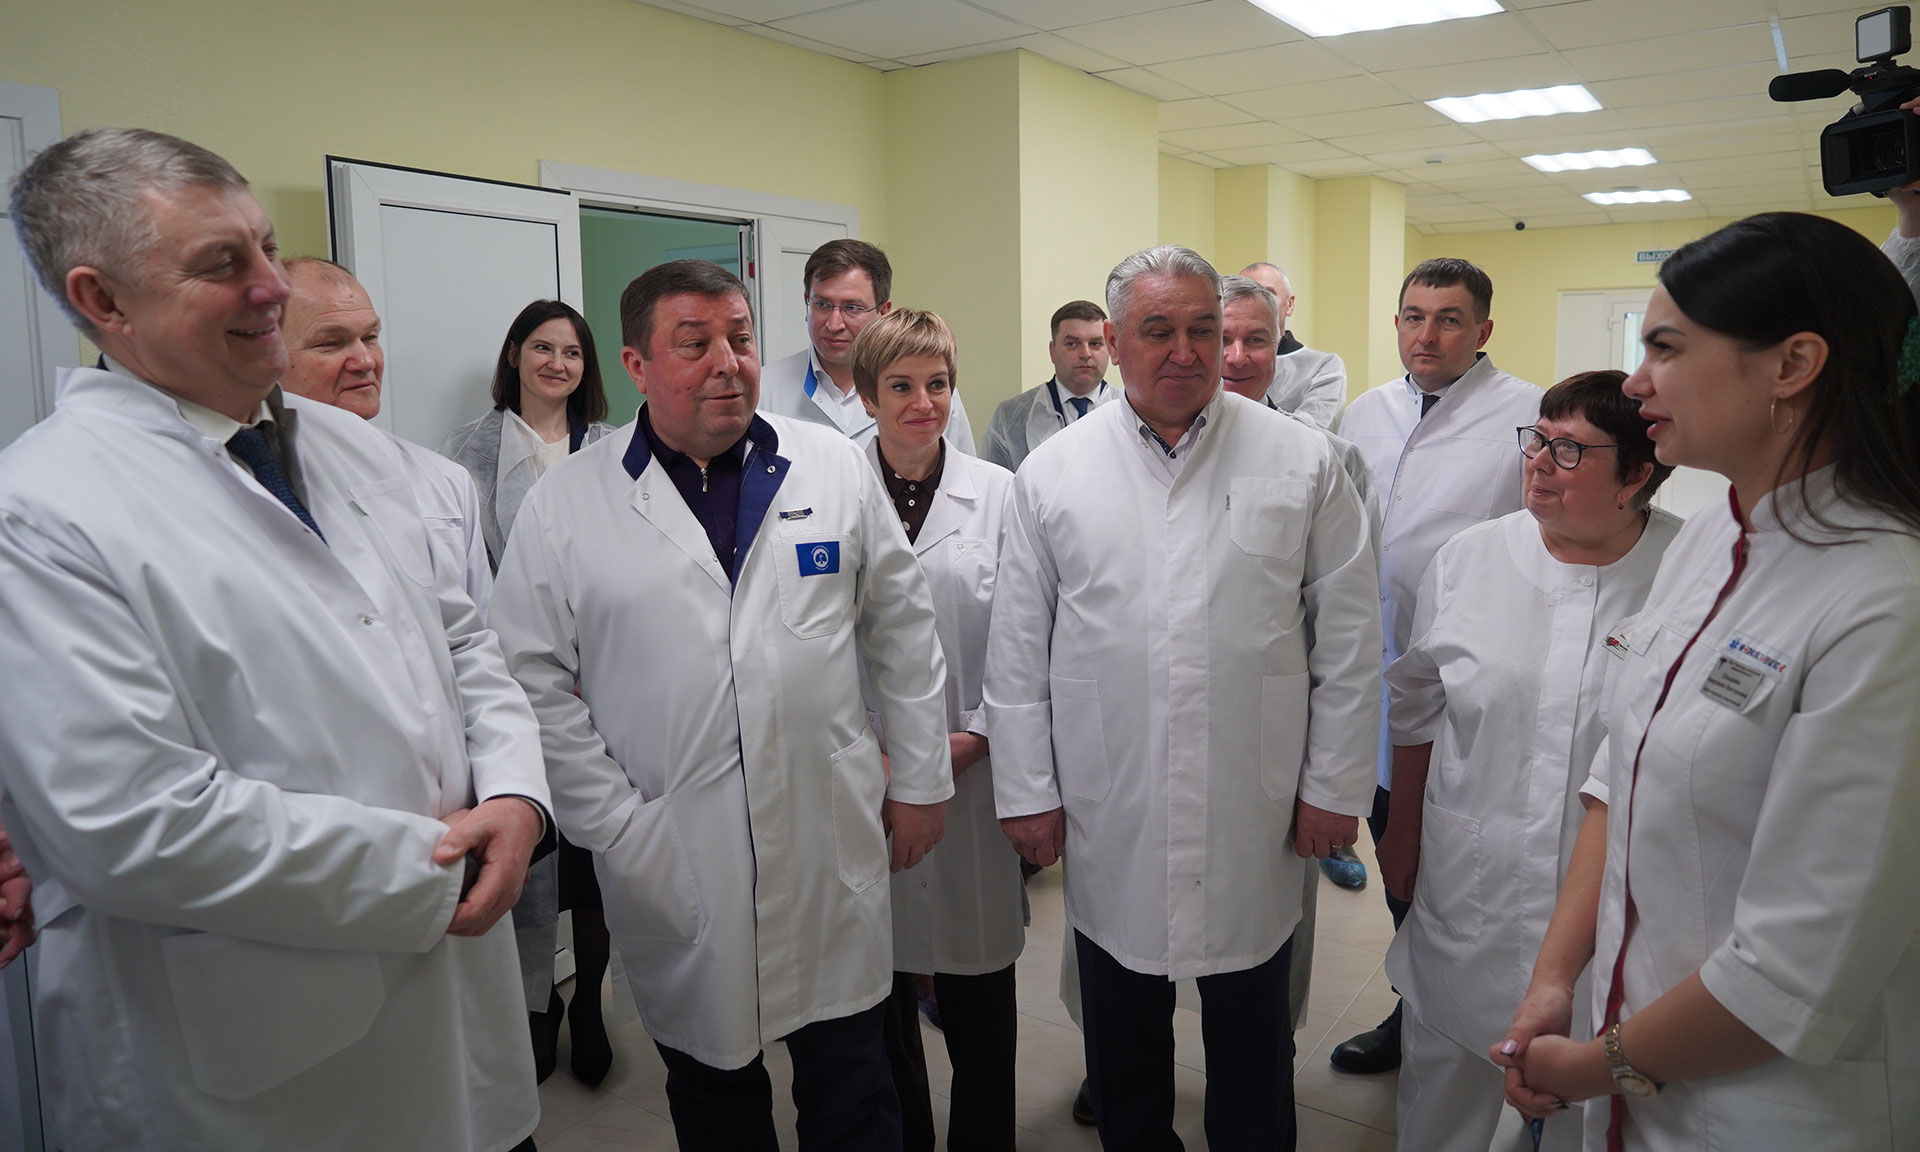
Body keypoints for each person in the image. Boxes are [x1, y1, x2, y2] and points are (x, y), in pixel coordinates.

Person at [0, 127, 550, 1151]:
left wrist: (518, 795)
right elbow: (131, 822)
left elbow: (466, 645)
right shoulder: (42, 509)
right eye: (223, 263)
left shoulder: (352, 450)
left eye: (264, 246)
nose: (272, 287)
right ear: (103, 301)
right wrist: (440, 865)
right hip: (250, 1064)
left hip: (455, 1013)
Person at [489, 259, 954, 1152]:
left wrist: (922, 780)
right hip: (675, 843)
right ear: (636, 364)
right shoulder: (568, 504)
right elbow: (526, 676)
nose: (727, 362)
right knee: (714, 1096)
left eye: (739, 338)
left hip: (826, 835)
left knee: (854, 1088)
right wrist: (616, 824)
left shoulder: (830, 465)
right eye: (694, 343)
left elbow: (901, 628)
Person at [1491, 212, 1920, 1150]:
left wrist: (1592, 1065)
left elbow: (1795, 963)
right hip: (1637, 1052)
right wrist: (1557, 980)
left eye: (1666, 348)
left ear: (1793, 364)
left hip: (1773, 1108)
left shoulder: (1884, 600)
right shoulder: (1720, 531)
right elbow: (1621, 774)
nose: (1635, 381)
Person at [985, 246, 1380, 1151]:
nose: (1186, 350)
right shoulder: (1054, 471)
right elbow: (1016, 651)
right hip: (1112, 800)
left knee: (1253, 1043)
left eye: (1204, 328)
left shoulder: (1302, 459)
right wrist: (1028, 793)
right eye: (1158, 330)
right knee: (1124, 1043)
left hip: (1256, 805)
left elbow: (1351, 640)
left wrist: (1334, 788)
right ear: (1114, 341)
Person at [1378, 370, 1679, 1152]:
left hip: (1615, 904)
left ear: (1637, 476)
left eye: (1569, 450)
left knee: (1586, 1103)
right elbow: (1415, 703)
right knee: (1444, 1094)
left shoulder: (1687, 571)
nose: (1538, 462)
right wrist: (1402, 829)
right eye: (1537, 439)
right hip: (1470, 884)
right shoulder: (1469, 559)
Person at [1330, 257, 1543, 1075]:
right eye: (1414, 317)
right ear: (1396, 324)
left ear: (1482, 330)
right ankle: (1411, 1006)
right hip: (1370, 678)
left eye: (1449, 319)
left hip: (1468, 684)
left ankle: (1477, 1017)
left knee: (1461, 862)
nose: (1428, 335)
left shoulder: (1527, 414)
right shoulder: (1365, 412)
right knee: (1397, 852)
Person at [851, 309, 1023, 1152]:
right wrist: (876, 756)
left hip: (975, 772)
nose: (924, 403)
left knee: (980, 983)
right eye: (902, 386)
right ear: (867, 395)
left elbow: (1028, 637)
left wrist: (978, 737)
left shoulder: (1000, 494)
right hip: (864, 773)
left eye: (938, 383)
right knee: (878, 992)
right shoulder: (826, 490)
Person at [441, 298, 619, 1085]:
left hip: (605, 689)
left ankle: (592, 1006)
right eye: (542, 348)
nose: (557, 364)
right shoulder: (464, 456)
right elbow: (462, 585)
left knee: (599, 863)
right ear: (514, 354)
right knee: (530, 858)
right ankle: (536, 1008)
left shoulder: (613, 449)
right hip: (513, 688)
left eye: (572, 352)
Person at [279, 257, 492, 610]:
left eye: (370, 338)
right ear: (265, 356)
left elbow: (477, 626)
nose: (365, 361)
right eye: (331, 343)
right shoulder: (245, 487)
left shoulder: (445, 483)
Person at [758, 238, 976, 453]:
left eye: (852, 307)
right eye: (822, 304)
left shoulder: (933, 393)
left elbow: (963, 472)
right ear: (807, 301)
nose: (834, 324)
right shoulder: (763, 391)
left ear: (884, 311)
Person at [981, 299, 1115, 471]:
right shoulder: (1009, 418)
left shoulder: (1133, 409)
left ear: (1110, 348)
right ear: (1052, 351)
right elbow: (994, 484)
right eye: (1072, 344)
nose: (1085, 353)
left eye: (1095, 344)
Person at [1241, 261, 1346, 429]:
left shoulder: (1323, 366)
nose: (1256, 304)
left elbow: (1310, 431)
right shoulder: (1219, 360)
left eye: (1268, 294)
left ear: (1289, 304)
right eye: (1246, 295)